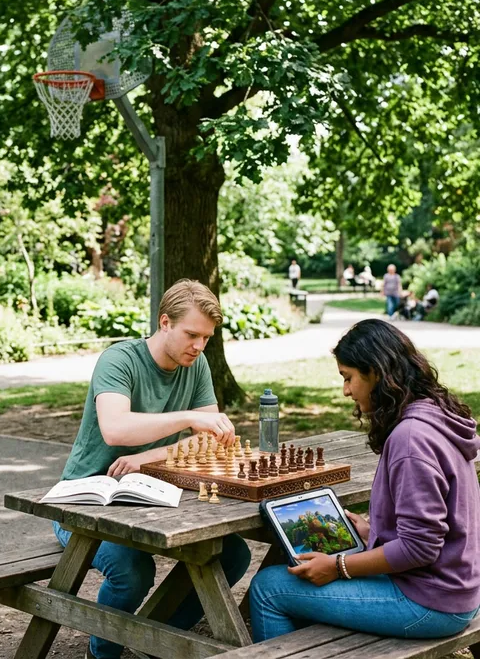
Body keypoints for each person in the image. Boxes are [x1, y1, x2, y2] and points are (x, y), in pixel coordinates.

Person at [54, 279, 251, 659]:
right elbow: (116, 428)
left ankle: (155, 638)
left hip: (152, 498)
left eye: (207, 338)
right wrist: (190, 418)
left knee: (233, 555)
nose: (199, 346)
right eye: (192, 334)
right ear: (164, 322)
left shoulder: (197, 364)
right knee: (132, 571)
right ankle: (102, 653)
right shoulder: (119, 360)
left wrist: (145, 458)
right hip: (83, 502)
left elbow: (207, 439)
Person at [249, 319, 480, 642]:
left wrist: (339, 565)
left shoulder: (411, 438)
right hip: (454, 589)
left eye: (348, 378)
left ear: (375, 372)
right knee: (297, 583)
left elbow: (420, 548)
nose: (345, 391)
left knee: (269, 589)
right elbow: (434, 527)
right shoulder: (436, 414)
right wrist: (374, 532)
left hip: (431, 604)